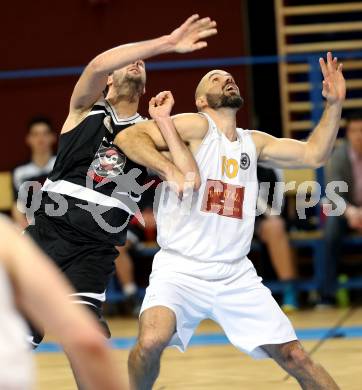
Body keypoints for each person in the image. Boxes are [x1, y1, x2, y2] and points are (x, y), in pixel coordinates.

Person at [115, 52, 344, 389]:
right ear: (201, 100)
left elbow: (315, 153)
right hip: (180, 270)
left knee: (296, 357)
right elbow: (128, 137)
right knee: (150, 343)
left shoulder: (254, 142)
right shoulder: (196, 125)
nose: (226, 79)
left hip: (234, 273)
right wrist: (169, 170)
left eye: (228, 76)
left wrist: (334, 104)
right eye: (215, 78)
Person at [24, 14, 216, 384]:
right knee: (15, 338)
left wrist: (164, 124)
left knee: (87, 344)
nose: (137, 62)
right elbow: (97, 63)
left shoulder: (149, 132)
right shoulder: (83, 109)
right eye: (127, 60)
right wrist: (166, 43)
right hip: (47, 236)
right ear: (110, 78)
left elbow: (189, 181)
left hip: (93, 250)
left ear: (145, 88)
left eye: (142, 64)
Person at [0, 215, 125, 389]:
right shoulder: (5, 236)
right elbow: (88, 342)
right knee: (80, 333)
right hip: (71, 239)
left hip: (77, 241)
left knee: (26, 329)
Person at [320, 110, 362, 305]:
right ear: (348, 133)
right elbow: (334, 194)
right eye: (354, 131)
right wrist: (351, 212)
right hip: (344, 210)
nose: (359, 135)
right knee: (331, 228)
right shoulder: (338, 156)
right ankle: (327, 294)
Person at [255, 165, 299, 311]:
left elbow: (278, 199)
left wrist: (271, 213)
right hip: (232, 216)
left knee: (276, 226)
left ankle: (289, 290)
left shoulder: (273, 159)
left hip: (261, 218)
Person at [12, 116, 56, 229]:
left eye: (45, 134)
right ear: (28, 139)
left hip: (61, 226)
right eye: (35, 134)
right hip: (32, 228)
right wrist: (28, 231)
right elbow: (17, 206)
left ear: (53, 137)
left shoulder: (62, 166)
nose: (40, 139)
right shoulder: (19, 172)